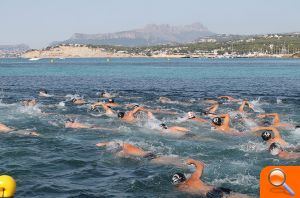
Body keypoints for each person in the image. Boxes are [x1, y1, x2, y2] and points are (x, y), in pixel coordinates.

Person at [172, 158, 248, 197]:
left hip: (208, 195)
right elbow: (200, 165)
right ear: (184, 178)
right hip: (213, 191)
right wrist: (192, 161)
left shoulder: (180, 189)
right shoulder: (192, 179)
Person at [96, 141, 184, 166]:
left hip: (148, 157)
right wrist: (103, 143)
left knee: (176, 164)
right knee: (175, 161)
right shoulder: (126, 145)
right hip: (148, 154)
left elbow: (116, 158)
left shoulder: (122, 152)